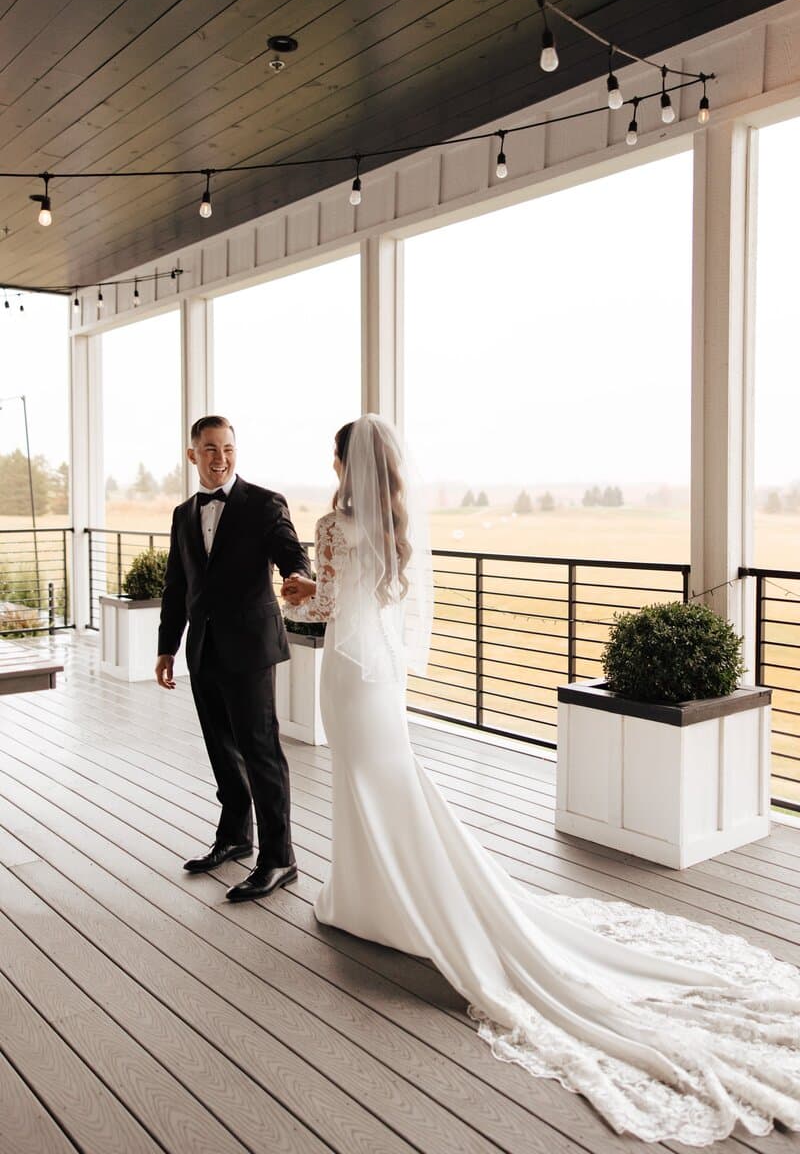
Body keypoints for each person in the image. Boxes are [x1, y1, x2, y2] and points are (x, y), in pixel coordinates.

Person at [281, 413, 800, 1146]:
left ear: (345, 463)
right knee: (389, 783)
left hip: (346, 671)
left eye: (336, 458)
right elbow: (384, 601)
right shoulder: (396, 524)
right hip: (383, 679)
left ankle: (372, 900)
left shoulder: (334, 525)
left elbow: (328, 607)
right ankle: (377, 894)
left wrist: (296, 591)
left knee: (365, 782)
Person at [156, 415, 311, 902]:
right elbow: (176, 586)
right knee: (222, 750)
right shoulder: (183, 514)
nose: (220, 458)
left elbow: (291, 552)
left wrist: (298, 575)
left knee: (261, 752)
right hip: (203, 649)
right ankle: (235, 837)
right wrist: (167, 646)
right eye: (209, 449)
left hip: (250, 648)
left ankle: (279, 858)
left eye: (227, 448)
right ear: (192, 455)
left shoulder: (264, 503)